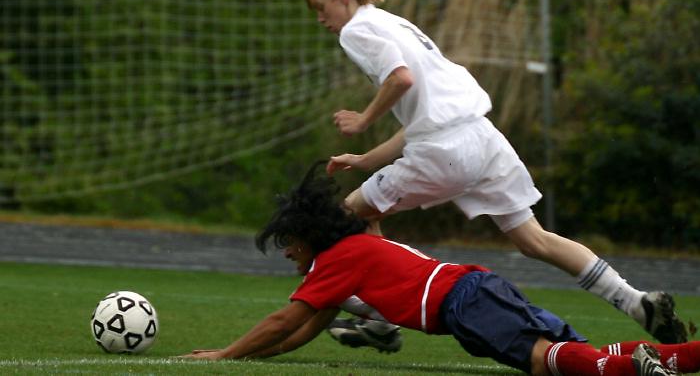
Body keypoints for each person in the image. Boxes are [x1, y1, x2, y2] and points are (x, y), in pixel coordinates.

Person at [301, 0, 687, 348]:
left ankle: (382, 316)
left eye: (321, 5)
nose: (319, 18)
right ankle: (634, 301)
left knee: (351, 213)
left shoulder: (356, 31)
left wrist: (362, 120)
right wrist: (365, 160)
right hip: (482, 137)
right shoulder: (393, 22)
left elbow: (400, 79)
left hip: (444, 149)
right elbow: (420, 118)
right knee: (534, 239)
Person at [180, 163, 699, 376]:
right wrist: (252, 360)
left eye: (289, 243)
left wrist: (223, 355)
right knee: (578, 355)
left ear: (309, 236)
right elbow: (302, 331)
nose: (289, 254)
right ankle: (688, 358)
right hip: (474, 293)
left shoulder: (337, 259)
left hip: (465, 303)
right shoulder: (348, 258)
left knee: (547, 363)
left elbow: (283, 321)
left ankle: (635, 370)